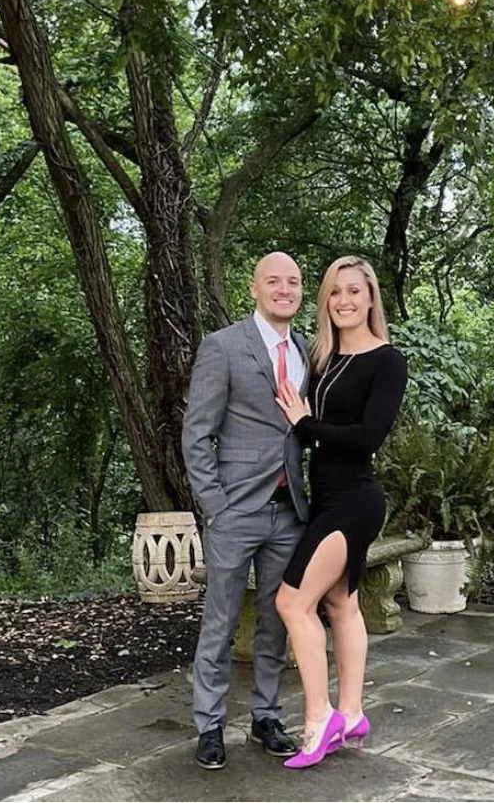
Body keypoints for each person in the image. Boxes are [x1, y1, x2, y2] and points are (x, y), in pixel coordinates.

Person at [273, 255, 408, 769]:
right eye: (335, 292)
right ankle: (351, 714)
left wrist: (307, 426)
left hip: (355, 500)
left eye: (354, 291)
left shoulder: (386, 360)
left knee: (292, 604)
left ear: (371, 298)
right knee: (340, 605)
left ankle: (318, 719)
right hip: (324, 497)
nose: (344, 300)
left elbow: (368, 437)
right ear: (326, 302)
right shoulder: (323, 358)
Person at [182, 252, 311, 770]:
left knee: (277, 624)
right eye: (274, 281)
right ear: (254, 289)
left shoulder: (307, 350)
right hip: (235, 511)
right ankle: (209, 725)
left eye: (294, 282)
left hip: (290, 512)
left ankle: (265, 717)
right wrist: (214, 506)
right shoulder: (223, 346)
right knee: (221, 621)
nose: (285, 289)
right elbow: (197, 432)